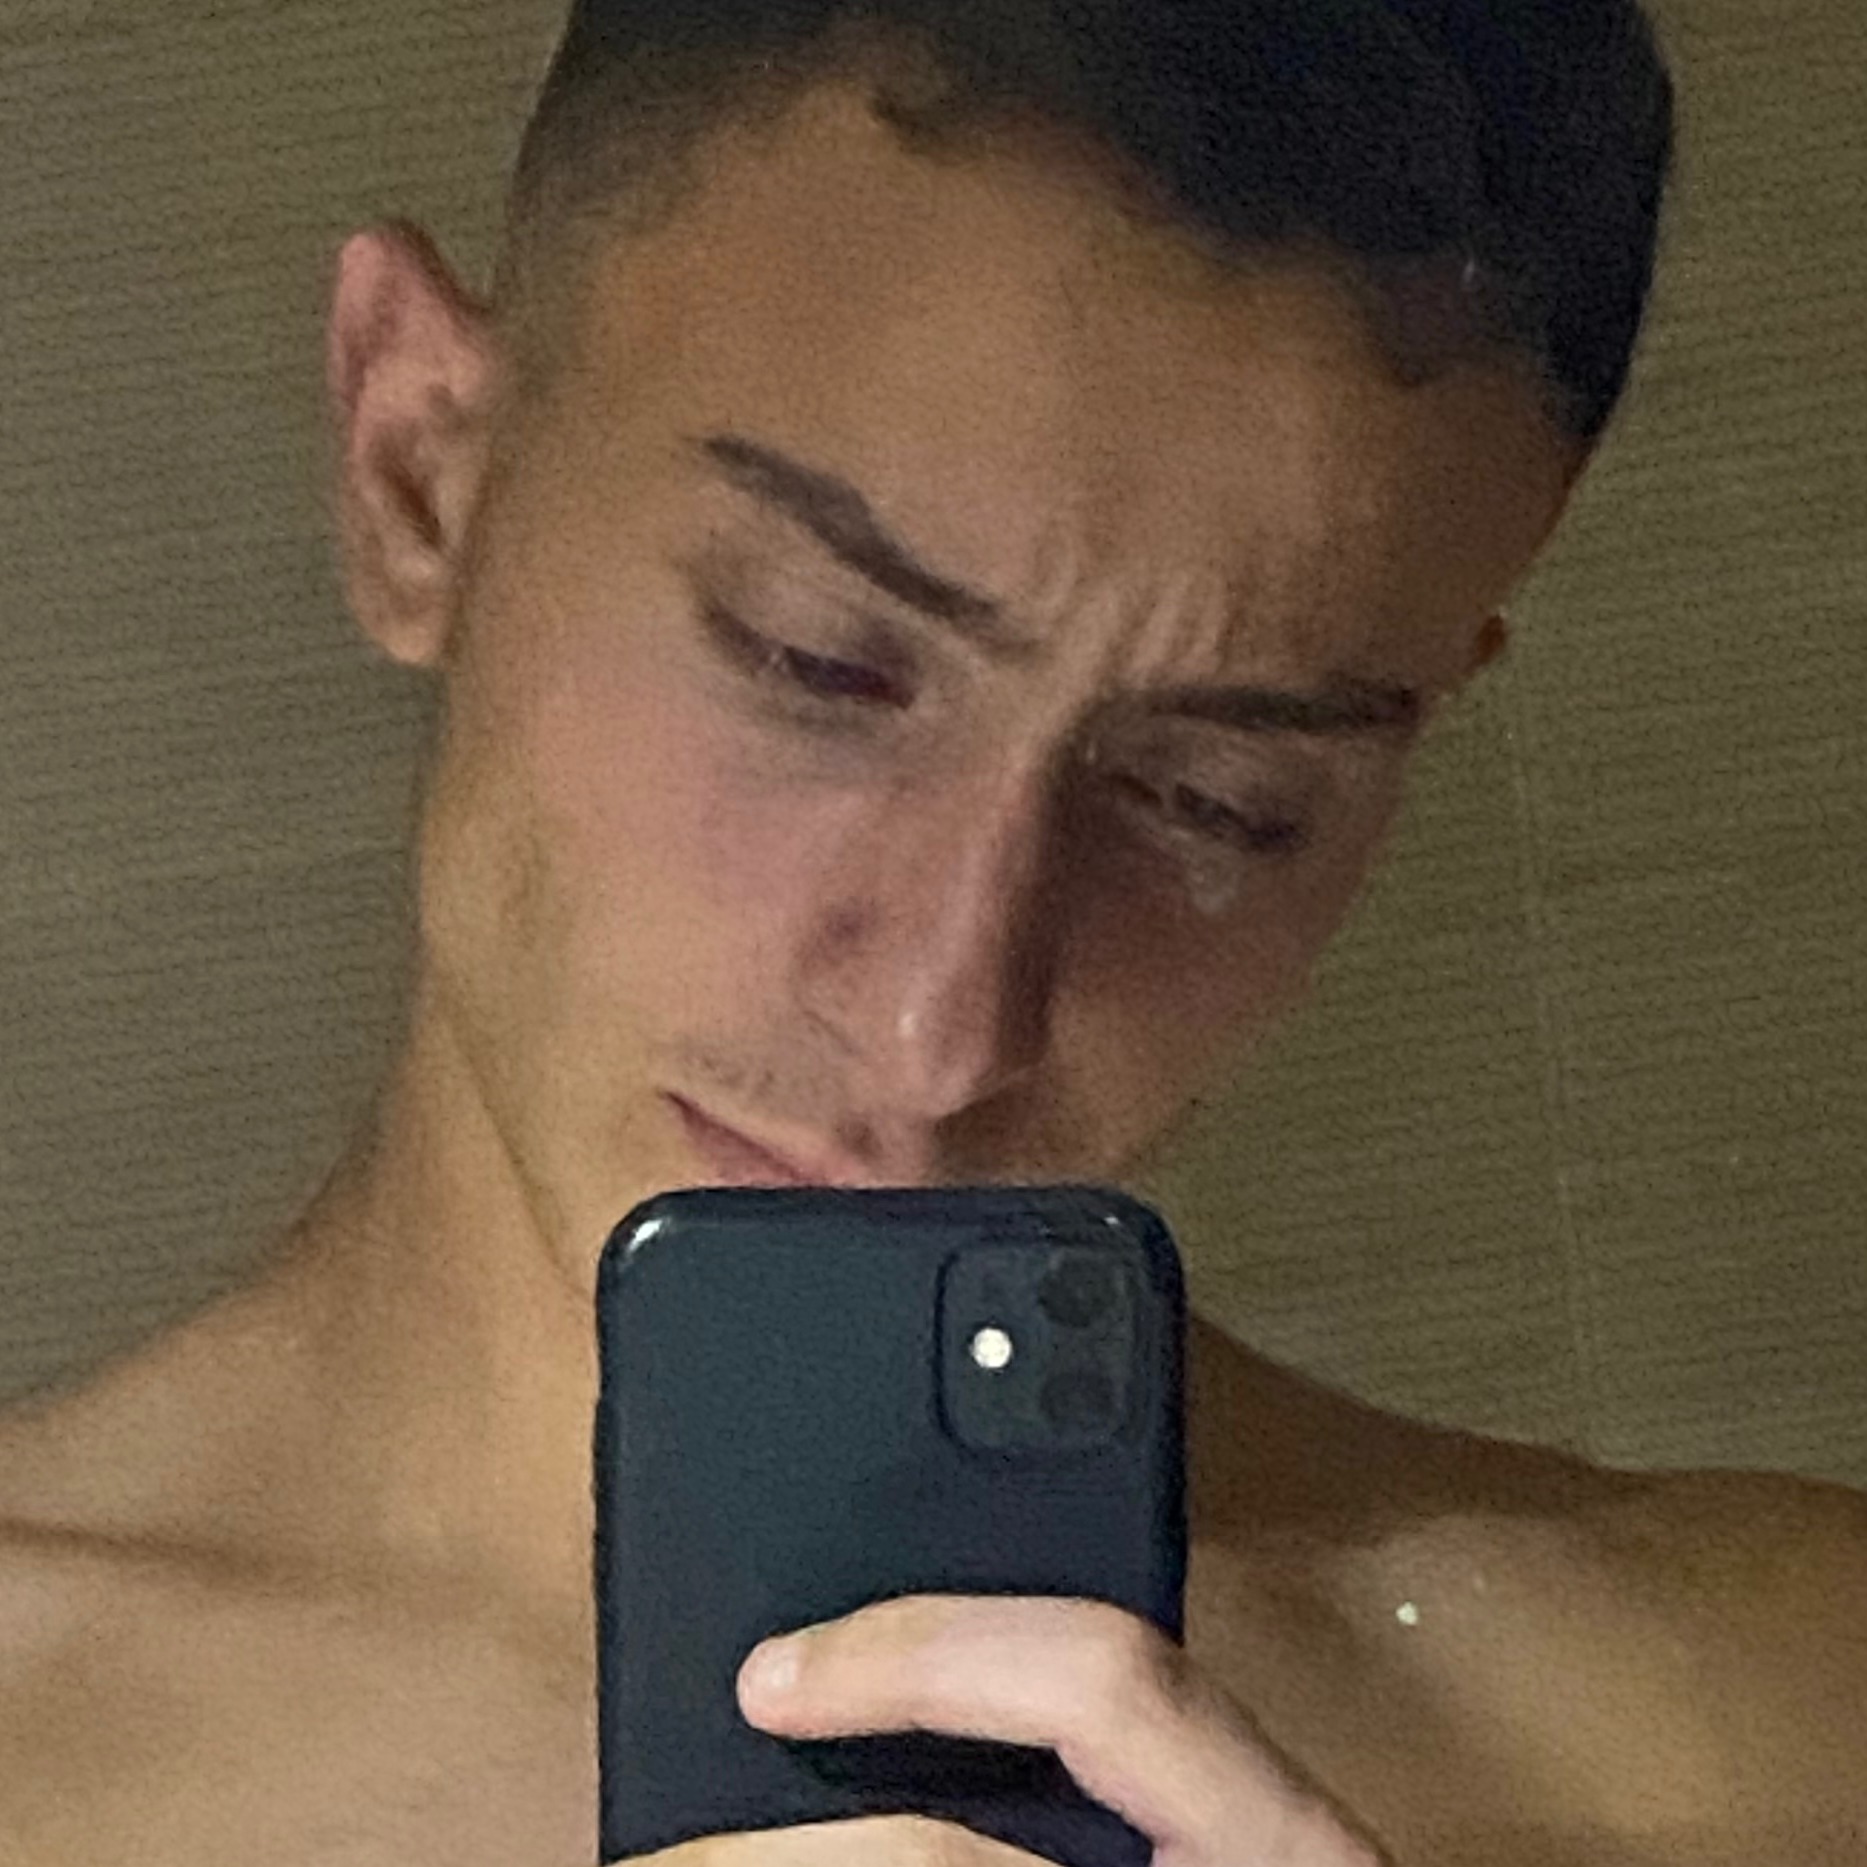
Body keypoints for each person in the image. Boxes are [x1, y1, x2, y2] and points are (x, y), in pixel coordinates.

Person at [0, 0, 1861, 1861]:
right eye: (817, 660)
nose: (941, 1025)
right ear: (424, 475)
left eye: (1214, 798)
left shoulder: (1782, 1734)